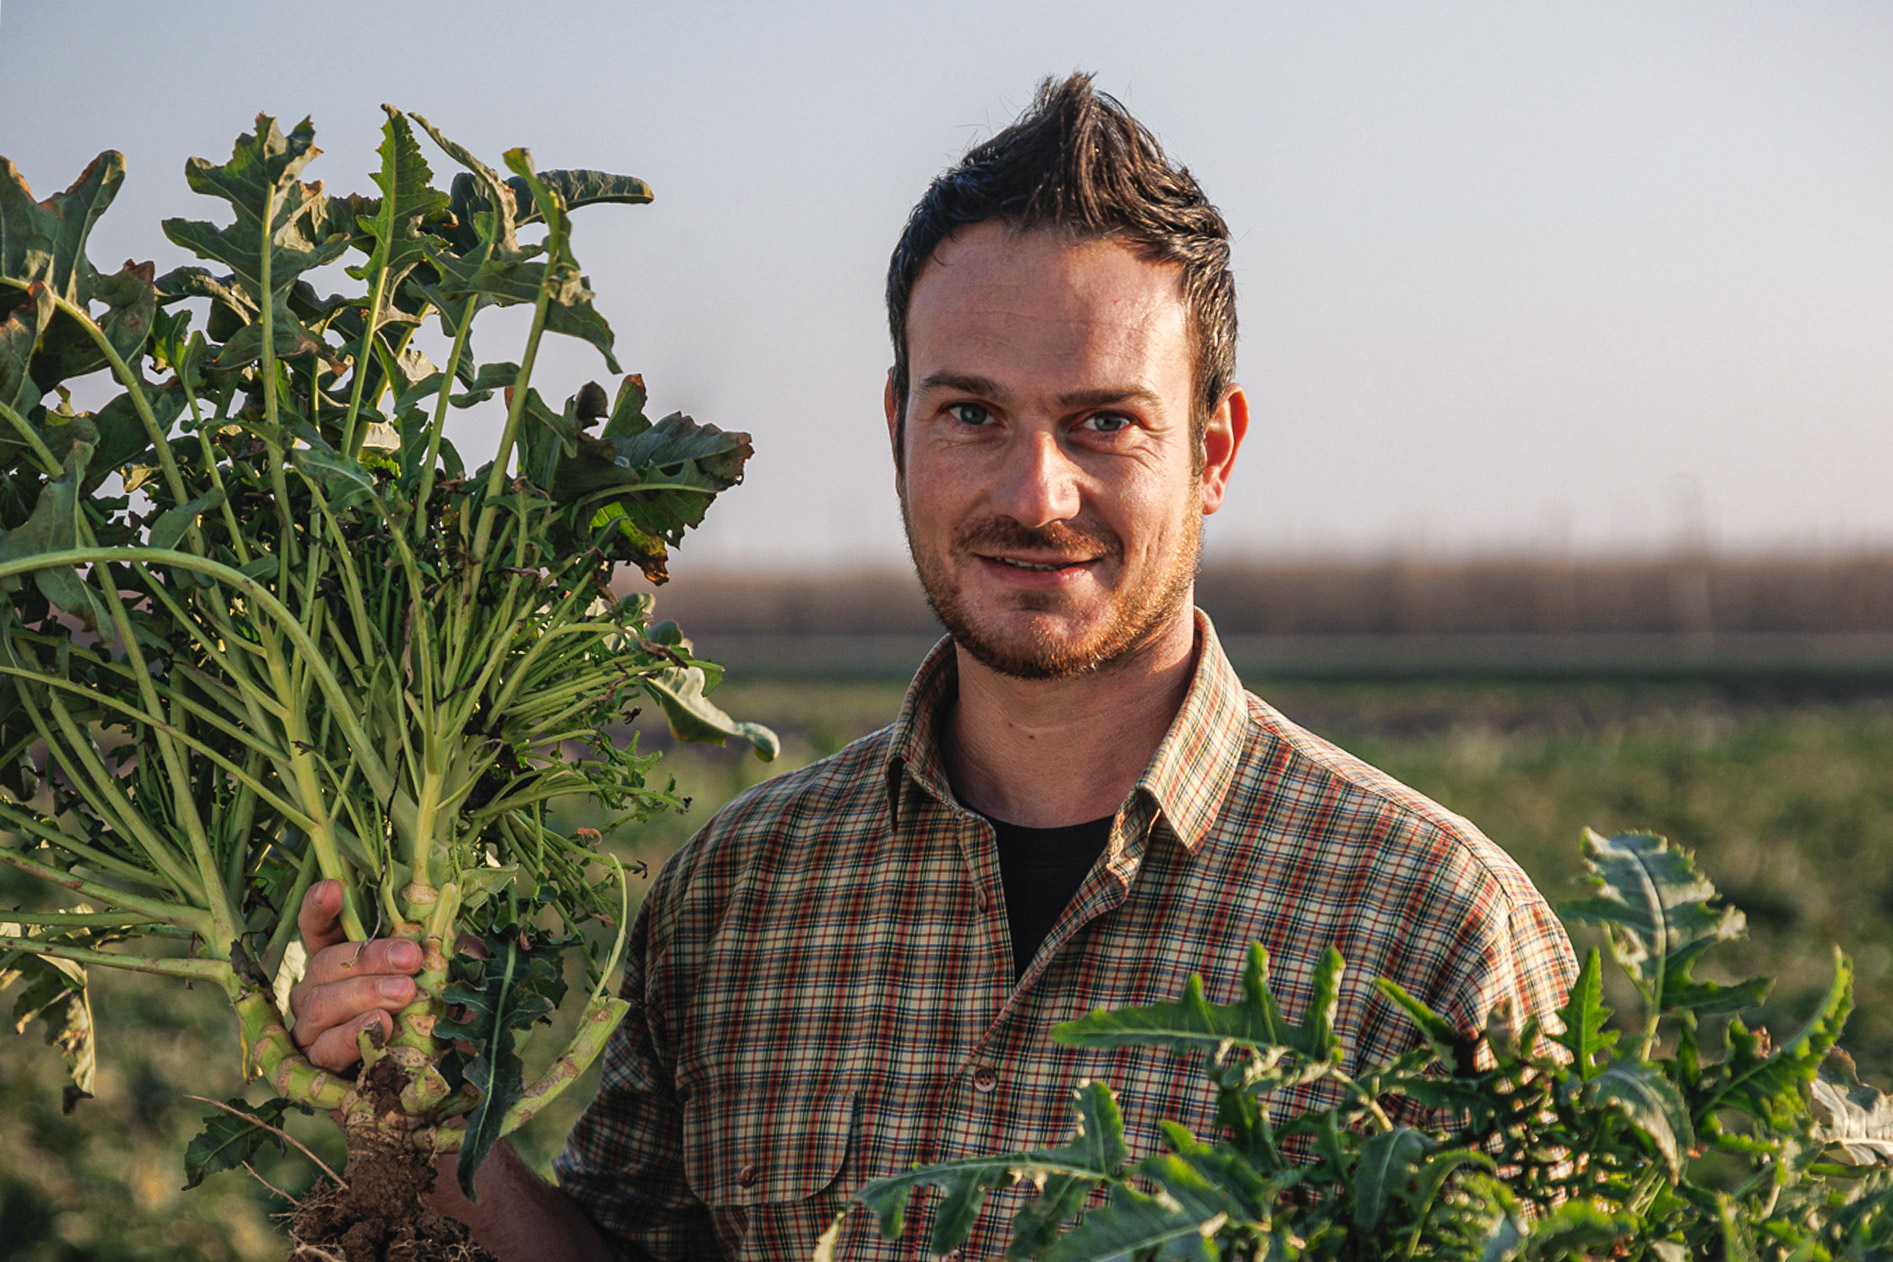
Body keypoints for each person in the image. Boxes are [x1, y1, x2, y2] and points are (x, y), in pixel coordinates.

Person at [288, 73, 1577, 1261]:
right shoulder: (740, 899)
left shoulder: (1433, 930)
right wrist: (414, 1126)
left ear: (1214, 451)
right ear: (898, 426)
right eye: (973, 414)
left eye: (1105, 422)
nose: (1037, 492)